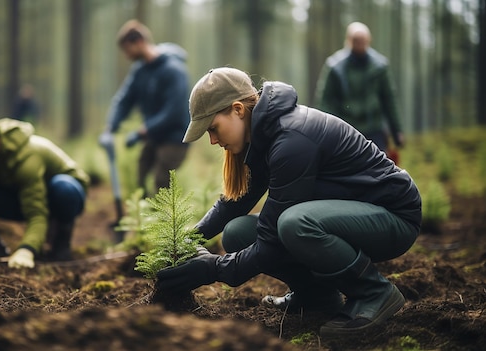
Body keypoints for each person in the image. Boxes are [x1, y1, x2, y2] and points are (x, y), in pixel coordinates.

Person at [156, 67, 421, 339]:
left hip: (393, 216)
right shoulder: (262, 135)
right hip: (350, 217)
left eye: (213, 128)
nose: (212, 140)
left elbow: (270, 243)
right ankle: (316, 296)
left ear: (237, 110)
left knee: (296, 224)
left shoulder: (291, 139)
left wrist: (213, 268)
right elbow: (234, 204)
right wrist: (185, 241)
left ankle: (374, 292)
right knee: (238, 231)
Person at [0, 116, 90, 269]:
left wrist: (27, 249)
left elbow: (36, 212)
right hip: (24, 195)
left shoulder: (27, 158)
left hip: (66, 195)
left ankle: (61, 245)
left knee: (63, 189)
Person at [100, 19, 190, 194]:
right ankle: (142, 220)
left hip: (175, 138)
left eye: (127, 50)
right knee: (140, 178)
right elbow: (124, 100)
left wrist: (144, 130)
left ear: (139, 42)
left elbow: (174, 111)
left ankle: (163, 221)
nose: (126, 55)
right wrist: (111, 126)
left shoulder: (174, 70)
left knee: (161, 183)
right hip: (154, 136)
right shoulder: (140, 71)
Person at [315, 22, 403, 153]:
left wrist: (397, 131)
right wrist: (324, 132)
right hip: (345, 130)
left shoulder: (380, 67)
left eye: (363, 40)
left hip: (374, 130)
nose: (360, 43)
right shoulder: (335, 67)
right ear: (349, 40)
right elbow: (326, 101)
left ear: (369, 40)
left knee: (378, 169)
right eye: (356, 40)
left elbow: (389, 100)